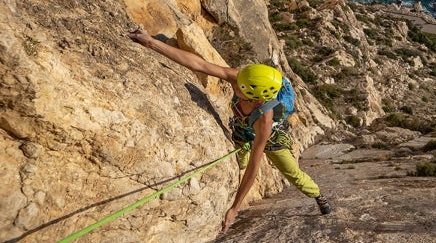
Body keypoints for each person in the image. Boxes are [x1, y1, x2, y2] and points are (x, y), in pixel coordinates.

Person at [127, 29, 331, 233]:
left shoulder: (264, 120)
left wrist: (235, 208)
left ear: (256, 97)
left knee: (292, 172)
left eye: (240, 88)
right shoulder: (240, 79)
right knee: (239, 161)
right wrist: (151, 43)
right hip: (242, 129)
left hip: (268, 138)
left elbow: (254, 166)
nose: (234, 84)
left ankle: (317, 194)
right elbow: (199, 64)